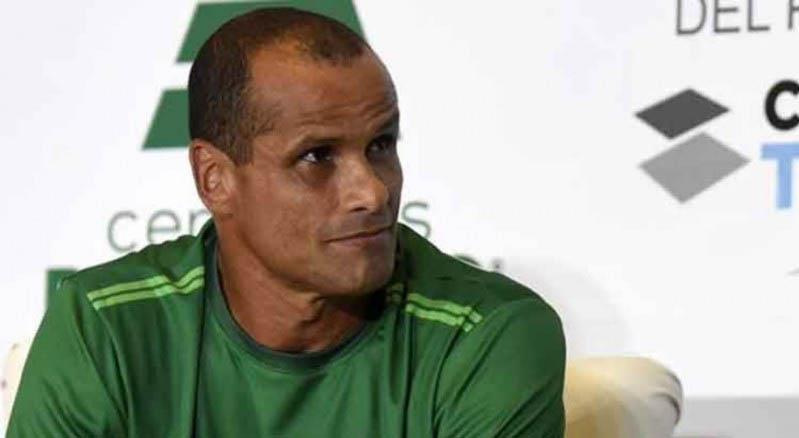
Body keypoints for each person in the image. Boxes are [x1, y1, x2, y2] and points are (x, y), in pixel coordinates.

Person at [6, 8, 565, 437]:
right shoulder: (106, 326)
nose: (372, 191)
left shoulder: (486, 335)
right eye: (317, 156)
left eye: (381, 145)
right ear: (215, 179)